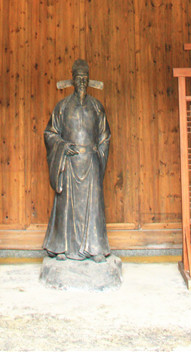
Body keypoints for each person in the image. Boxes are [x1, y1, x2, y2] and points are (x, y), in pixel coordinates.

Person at [43, 59, 111, 262]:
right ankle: (61, 247)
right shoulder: (62, 106)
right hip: (70, 162)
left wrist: (98, 156)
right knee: (65, 206)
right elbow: (50, 133)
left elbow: (105, 137)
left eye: (85, 78)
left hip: (90, 163)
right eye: (78, 78)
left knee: (93, 206)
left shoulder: (96, 107)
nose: (82, 81)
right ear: (72, 80)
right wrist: (63, 147)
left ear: (89, 80)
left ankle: (95, 248)